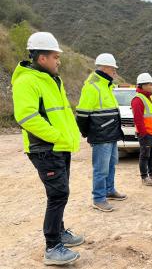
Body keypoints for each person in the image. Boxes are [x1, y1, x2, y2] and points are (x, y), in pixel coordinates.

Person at [12, 32, 83, 265]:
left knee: (61, 193)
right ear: (42, 58)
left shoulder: (52, 80)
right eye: (55, 57)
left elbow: (60, 114)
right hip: (45, 149)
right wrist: (56, 137)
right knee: (58, 194)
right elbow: (27, 117)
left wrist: (67, 138)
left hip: (59, 147)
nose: (58, 61)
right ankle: (52, 246)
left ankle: (60, 231)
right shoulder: (27, 81)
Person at [76, 53, 126, 212]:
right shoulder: (92, 86)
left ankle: (109, 190)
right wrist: (87, 133)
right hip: (101, 135)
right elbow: (82, 114)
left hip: (110, 133)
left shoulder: (106, 85)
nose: (115, 73)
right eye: (113, 69)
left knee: (112, 164)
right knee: (101, 168)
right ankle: (98, 198)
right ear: (105, 68)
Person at [131, 73, 152, 186]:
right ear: (143, 85)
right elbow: (138, 119)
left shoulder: (150, 97)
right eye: (150, 84)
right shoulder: (138, 100)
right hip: (146, 133)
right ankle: (144, 177)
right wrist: (143, 133)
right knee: (145, 155)